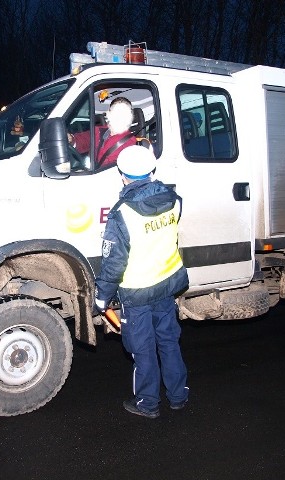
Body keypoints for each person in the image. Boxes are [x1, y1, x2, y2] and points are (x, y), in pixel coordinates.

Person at [94, 145, 190, 418]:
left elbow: (114, 263)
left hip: (137, 293)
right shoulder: (174, 199)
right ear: (152, 170)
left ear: (122, 175)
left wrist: (102, 296)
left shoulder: (122, 213)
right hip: (167, 286)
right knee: (169, 342)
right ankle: (178, 396)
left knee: (143, 350)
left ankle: (147, 404)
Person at [68, 97, 138, 169]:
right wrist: (71, 139)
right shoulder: (100, 131)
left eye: (123, 113)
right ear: (109, 114)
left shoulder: (129, 142)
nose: (119, 117)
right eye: (116, 112)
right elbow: (84, 139)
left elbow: (114, 166)